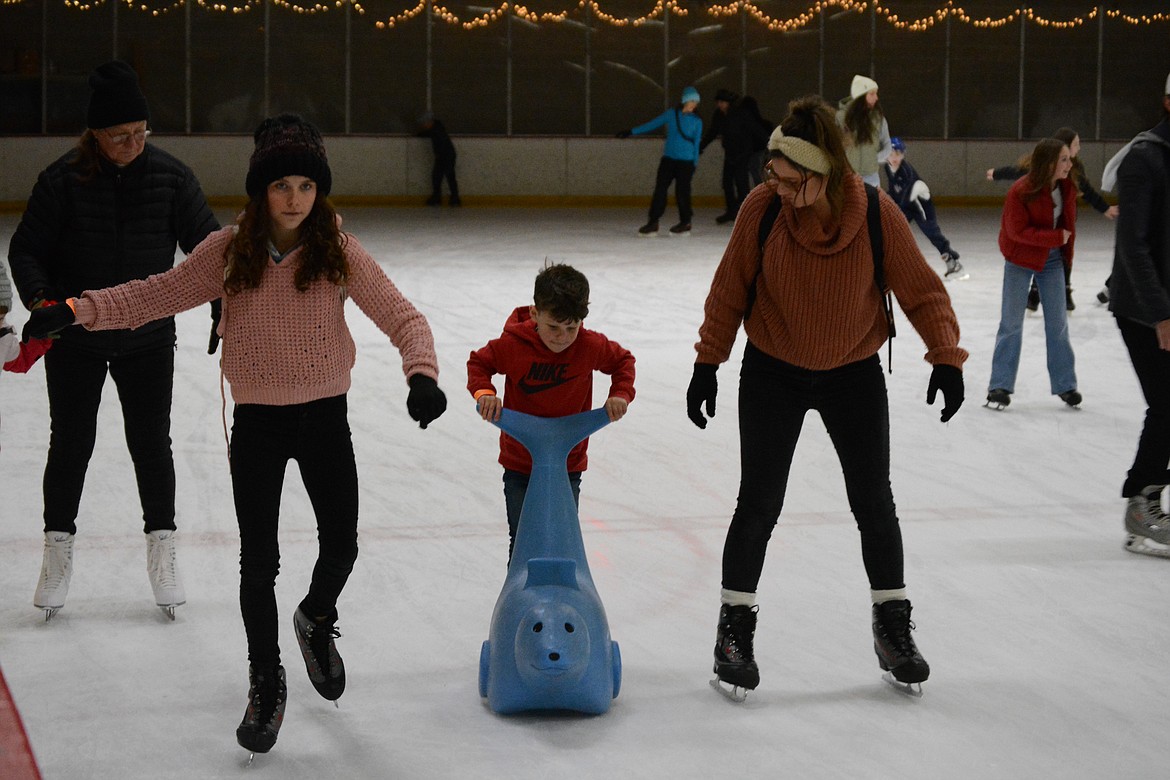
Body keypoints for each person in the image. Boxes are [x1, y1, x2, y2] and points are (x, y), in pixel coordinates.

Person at [22, 113, 450, 754]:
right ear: (261, 189)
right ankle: (266, 680)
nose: (294, 199)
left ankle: (315, 617)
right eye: (282, 186)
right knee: (260, 563)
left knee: (341, 547)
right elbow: (152, 295)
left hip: (326, 419)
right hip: (259, 424)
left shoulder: (337, 250)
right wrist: (75, 311)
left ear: (318, 191)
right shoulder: (228, 252)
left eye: (306, 186)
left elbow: (402, 316)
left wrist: (421, 375)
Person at [687, 95, 966, 696]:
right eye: (773, 176)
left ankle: (893, 626)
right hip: (772, 372)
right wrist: (707, 363)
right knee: (758, 503)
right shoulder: (762, 210)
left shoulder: (874, 214)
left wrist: (945, 356)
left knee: (874, 502)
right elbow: (728, 289)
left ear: (824, 175)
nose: (778, 189)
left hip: (853, 374)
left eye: (792, 182)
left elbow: (921, 291)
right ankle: (733, 632)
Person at [6, 60, 220, 620]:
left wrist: (225, 303)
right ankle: (57, 552)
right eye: (122, 135)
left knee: (152, 444)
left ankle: (163, 548)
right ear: (95, 135)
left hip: (148, 338)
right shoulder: (61, 181)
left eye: (141, 132)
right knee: (71, 443)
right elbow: (26, 250)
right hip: (76, 338)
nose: (134, 143)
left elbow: (211, 252)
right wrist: (41, 302)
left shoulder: (172, 178)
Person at [467, 263, 635, 563]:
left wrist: (620, 394)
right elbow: (479, 364)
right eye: (553, 327)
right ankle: (521, 600)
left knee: (562, 539)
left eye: (572, 328)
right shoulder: (513, 346)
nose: (562, 337)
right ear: (534, 314)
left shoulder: (589, 345)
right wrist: (485, 393)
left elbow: (623, 361)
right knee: (522, 539)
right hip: (520, 463)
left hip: (567, 464)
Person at [1107, 72, 1170, 558]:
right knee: (1167, 403)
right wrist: (1160, 314)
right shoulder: (1144, 159)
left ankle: (1146, 496)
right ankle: (1142, 503)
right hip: (1142, 309)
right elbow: (1133, 245)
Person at [986, 138, 1081, 411]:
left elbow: (1068, 229)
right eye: (1064, 159)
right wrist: (1054, 238)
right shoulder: (1021, 190)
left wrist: (1065, 262)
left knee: (1058, 323)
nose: (1069, 163)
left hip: (1051, 260)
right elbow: (1016, 231)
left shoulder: (1066, 188)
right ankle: (999, 386)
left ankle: (1066, 384)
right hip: (1019, 259)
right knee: (1011, 323)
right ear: (1049, 163)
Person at [987, 127, 1116, 311]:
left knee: (1063, 256)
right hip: (1043, 226)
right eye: (1076, 145)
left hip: (1063, 224)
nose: (1078, 149)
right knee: (1046, 256)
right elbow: (1018, 171)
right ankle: (1037, 292)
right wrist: (997, 173)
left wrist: (1105, 208)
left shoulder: (1074, 169)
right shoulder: (1041, 169)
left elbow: (1087, 191)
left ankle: (1059, 291)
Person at [616, 86, 703, 235]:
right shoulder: (671, 114)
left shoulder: (697, 121)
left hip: (686, 162)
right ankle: (653, 222)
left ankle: (685, 222)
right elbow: (652, 124)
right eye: (692, 101)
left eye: (696, 102)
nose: (694, 104)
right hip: (668, 160)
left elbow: (696, 144)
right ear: (684, 101)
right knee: (660, 190)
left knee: (682, 192)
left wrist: (694, 163)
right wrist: (631, 131)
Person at [883, 137, 964, 278]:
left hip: (920, 206)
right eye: (891, 154)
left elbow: (904, 196)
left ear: (903, 154)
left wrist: (890, 204)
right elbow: (895, 189)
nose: (894, 158)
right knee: (892, 232)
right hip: (906, 205)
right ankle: (890, 264)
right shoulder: (887, 168)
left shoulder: (906, 170)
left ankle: (952, 261)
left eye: (898, 154)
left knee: (931, 233)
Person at [701, 89, 767, 224]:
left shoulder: (741, 114)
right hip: (730, 154)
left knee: (741, 184)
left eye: (722, 102)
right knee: (726, 183)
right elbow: (712, 132)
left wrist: (769, 141)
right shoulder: (719, 115)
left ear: (728, 103)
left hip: (743, 154)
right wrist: (700, 148)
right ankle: (731, 212)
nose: (719, 105)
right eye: (718, 102)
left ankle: (745, 214)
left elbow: (755, 129)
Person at [836, 75, 891, 187]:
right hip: (847, 177)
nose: (876, 98)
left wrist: (874, 158)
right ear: (860, 96)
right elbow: (833, 146)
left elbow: (887, 145)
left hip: (872, 178)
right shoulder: (840, 118)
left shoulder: (879, 120)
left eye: (876, 93)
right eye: (872, 94)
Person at [417, 111, 460, 206]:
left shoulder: (437, 130)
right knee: (437, 177)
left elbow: (442, 142)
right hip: (443, 156)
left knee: (448, 176)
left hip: (446, 156)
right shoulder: (435, 128)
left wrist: (439, 154)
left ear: (429, 122)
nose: (424, 126)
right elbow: (428, 133)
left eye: (424, 124)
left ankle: (453, 198)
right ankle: (440, 198)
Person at [740, 96, 774, 189]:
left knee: (756, 173)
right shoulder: (765, 124)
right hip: (763, 151)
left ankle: (762, 192)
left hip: (754, 152)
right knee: (763, 173)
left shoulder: (746, 124)